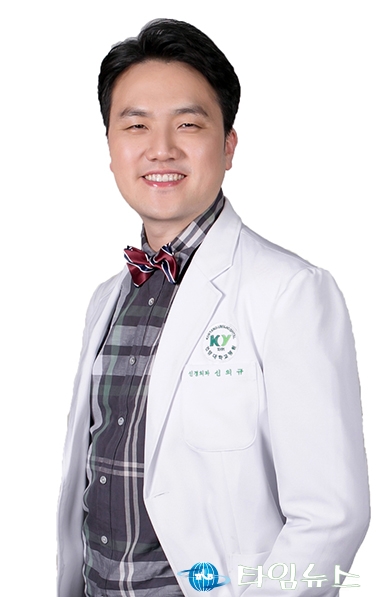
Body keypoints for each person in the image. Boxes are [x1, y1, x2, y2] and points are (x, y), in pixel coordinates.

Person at [57, 18, 370, 597]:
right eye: (136, 125)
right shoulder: (106, 298)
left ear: (228, 146)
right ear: (110, 149)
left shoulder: (291, 292)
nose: (161, 148)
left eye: (188, 124)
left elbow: (333, 519)